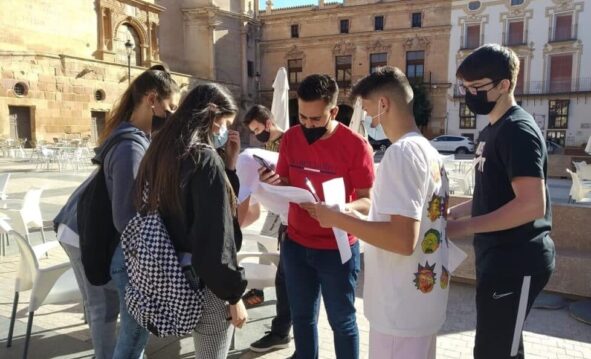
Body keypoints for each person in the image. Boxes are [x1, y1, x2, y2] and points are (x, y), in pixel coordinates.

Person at [309, 66, 450, 359]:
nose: (367, 118)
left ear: (383, 104)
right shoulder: (428, 150)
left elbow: (401, 239)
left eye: (368, 108)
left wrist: (336, 218)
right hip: (423, 303)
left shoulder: (401, 154)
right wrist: (356, 214)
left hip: (399, 308)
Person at [54, 65, 180, 359]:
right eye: (170, 107)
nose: (172, 115)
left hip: (84, 225)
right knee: (102, 307)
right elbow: (126, 217)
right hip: (80, 230)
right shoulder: (131, 147)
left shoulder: (134, 136)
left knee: (105, 306)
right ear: (152, 99)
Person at [447, 44, 555, 359]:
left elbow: (531, 204)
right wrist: (456, 212)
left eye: (476, 88)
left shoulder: (517, 130)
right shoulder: (492, 129)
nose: (469, 95)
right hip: (498, 258)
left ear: (504, 85)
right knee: (504, 345)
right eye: (464, 88)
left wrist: (465, 227)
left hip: (516, 261)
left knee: (493, 351)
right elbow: (492, 193)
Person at [260, 74, 375, 359]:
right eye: (302, 117)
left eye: (316, 119)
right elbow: (285, 181)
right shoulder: (291, 139)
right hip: (296, 245)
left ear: (333, 111)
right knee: (301, 318)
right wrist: (271, 181)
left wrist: (339, 210)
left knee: (342, 322)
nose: (308, 125)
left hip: (337, 248)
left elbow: (366, 202)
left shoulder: (356, 145)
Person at [134, 83, 248, 359]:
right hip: (206, 282)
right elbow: (214, 237)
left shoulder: (161, 149)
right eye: (223, 123)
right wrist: (234, 296)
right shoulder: (204, 158)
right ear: (210, 116)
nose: (224, 132)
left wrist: (229, 168)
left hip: (170, 273)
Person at [239, 105, 292, 353]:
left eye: (258, 129)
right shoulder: (263, 149)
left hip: (292, 215)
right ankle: (280, 327)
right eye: (252, 131)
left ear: (268, 124)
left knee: (288, 278)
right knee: (282, 271)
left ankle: (283, 330)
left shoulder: (289, 140)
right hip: (278, 211)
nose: (256, 135)